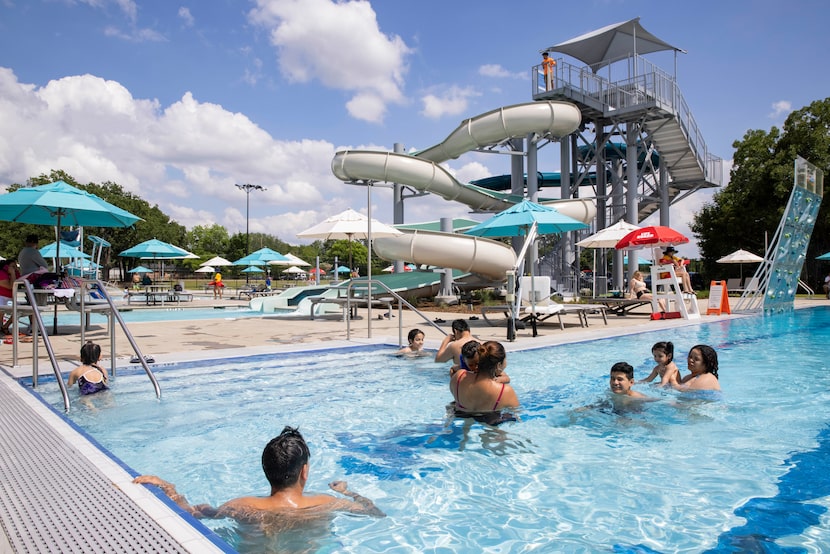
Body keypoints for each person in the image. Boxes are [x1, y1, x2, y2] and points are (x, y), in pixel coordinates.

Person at [133, 426, 385, 523]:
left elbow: (191, 515)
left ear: (266, 470)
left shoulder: (240, 507)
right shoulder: (327, 503)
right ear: (304, 472)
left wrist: (169, 488)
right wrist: (346, 491)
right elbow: (376, 514)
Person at [450, 341, 518, 415]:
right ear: (498, 365)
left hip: (461, 414)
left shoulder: (459, 376)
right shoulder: (506, 391)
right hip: (489, 419)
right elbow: (517, 413)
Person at [0, 259, 22, 335]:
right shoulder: (1, 273)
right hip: (1, 296)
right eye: (13, 266)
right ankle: (1, 326)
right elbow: (10, 286)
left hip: (10, 297)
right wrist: (12, 273)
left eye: (15, 266)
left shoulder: (16, 273)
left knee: (19, 310)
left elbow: (20, 283)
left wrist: (14, 273)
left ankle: (5, 326)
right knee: (1, 310)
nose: (15, 268)